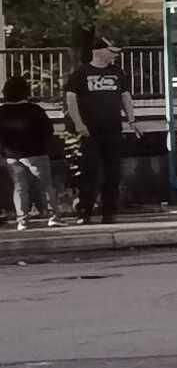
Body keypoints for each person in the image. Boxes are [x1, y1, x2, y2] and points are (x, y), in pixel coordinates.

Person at [66, 41, 128, 224]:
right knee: (89, 171)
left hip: (113, 129)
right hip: (90, 130)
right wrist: (78, 123)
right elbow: (70, 99)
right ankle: (85, 211)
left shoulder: (117, 71)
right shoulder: (81, 73)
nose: (114, 55)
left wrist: (131, 119)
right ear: (99, 52)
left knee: (113, 172)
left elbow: (125, 96)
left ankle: (109, 211)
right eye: (111, 51)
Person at [0, 75, 62, 230]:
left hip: (11, 155)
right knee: (45, 185)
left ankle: (22, 220)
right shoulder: (35, 110)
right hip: (36, 153)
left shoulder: (2, 111)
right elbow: (48, 130)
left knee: (19, 187)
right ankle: (53, 216)